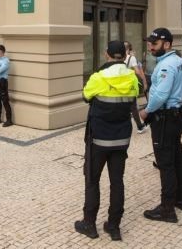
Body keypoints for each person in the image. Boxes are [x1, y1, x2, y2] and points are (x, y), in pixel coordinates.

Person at [75, 40, 139, 241]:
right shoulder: (132, 78)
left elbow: (86, 96)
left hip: (98, 140)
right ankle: (114, 226)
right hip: (121, 140)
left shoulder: (98, 77)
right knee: (117, 182)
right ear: (124, 55)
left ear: (107, 54)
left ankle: (89, 224)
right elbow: (137, 95)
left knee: (92, 180)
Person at [138, 28, 182, 223]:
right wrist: (177, 102)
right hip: (175, 116)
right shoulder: (180, 62)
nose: (150, 46)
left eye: (154, 43)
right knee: (177, 157)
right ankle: (181, 199)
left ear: (167, 44)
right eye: (150, 43)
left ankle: (167, 209)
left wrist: (147, 110)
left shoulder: (167, 65)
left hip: (165, 119)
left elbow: (160, 95)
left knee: (165, 163)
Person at [124, 41, 148, 134]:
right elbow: (137, 71)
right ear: (129, 49)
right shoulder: (131, 58)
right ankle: (139, 126)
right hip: (129, 85)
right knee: (133, 106)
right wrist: (143, 80)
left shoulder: (118, 57)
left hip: (119, 85)